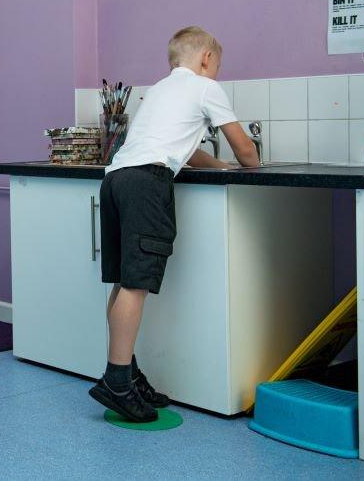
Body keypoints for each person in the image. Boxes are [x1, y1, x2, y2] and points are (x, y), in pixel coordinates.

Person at [89, 26, 258, 422]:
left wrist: (218, 165)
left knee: (122, 281)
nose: (216, 71)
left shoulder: (160, 90)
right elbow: (243, 145)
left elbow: (184, 147)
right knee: (137, 283)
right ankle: (116, 381)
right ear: (206, 59)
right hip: (147, 183)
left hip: (115, 180)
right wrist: (253, 165)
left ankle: (126, 372)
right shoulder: (205, 87)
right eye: (217, 64)